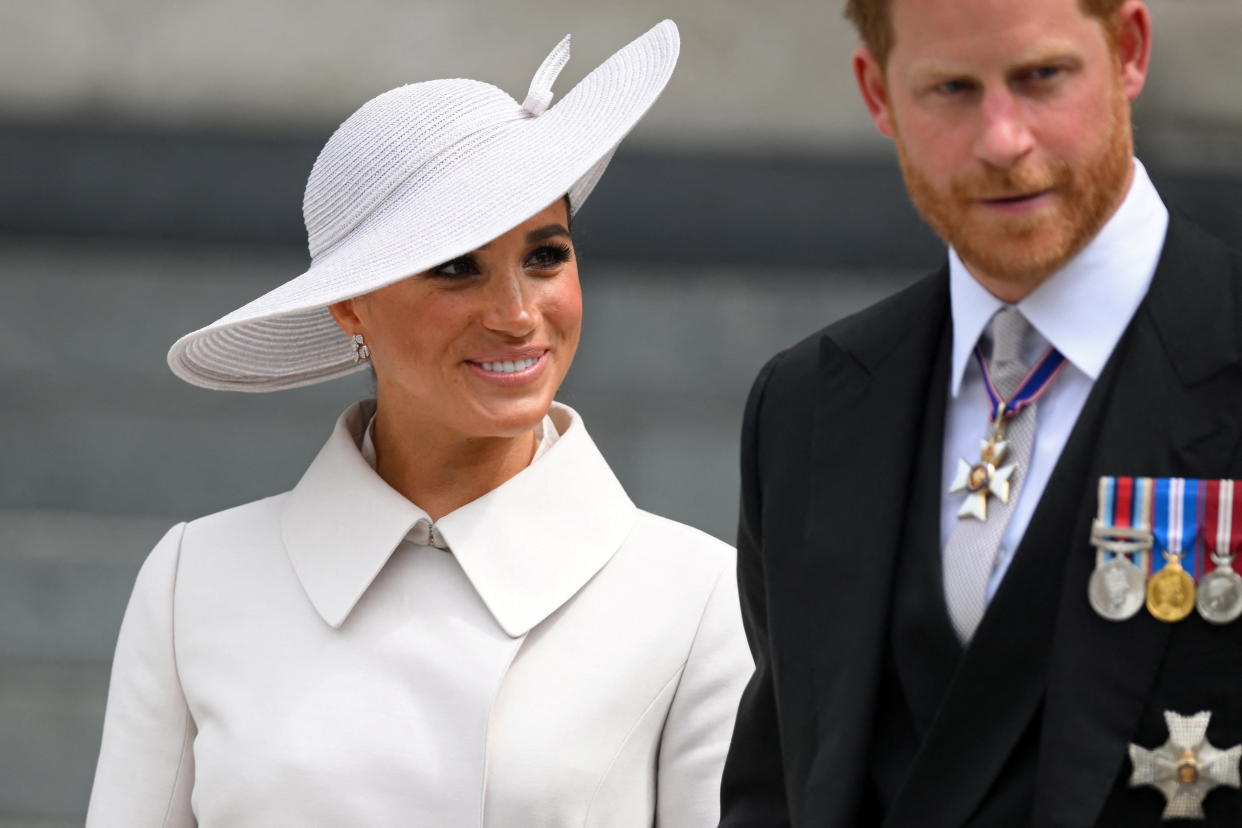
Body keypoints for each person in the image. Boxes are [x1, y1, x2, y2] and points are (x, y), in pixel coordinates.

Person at [87, 21, 752, 827]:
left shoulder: (695, 594)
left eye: (546, 256)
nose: (517, 315)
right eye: (455, 267)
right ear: (348, 305)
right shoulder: (196, 581)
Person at [719, 0, 1242, 824]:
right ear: (879, 94)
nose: (1002, 140)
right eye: (951, 89)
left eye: (1041, 78)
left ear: (1129, 51)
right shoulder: (806, 406)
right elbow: (775, 789)